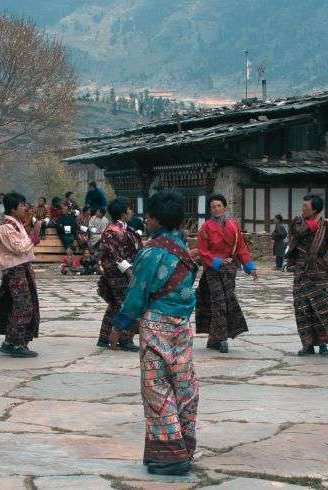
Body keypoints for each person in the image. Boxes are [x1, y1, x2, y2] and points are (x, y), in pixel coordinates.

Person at [110, 191, 199, 476]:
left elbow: (137, 293)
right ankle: (183, 446)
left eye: (148, 216)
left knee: (157, 387)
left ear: (156, 219)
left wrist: (120, 326)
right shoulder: (184, 250)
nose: (145, 220)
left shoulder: (150, 252)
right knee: (184, 385)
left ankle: (171, 455)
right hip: (183, 326)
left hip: (156, 327)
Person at [287, 194, 328, 356]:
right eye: (302, 207)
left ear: (315, 209)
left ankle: (323, 342)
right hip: (302, 272)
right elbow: (299, 231)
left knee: (323, 308)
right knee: (302, 308)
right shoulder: (298, 222)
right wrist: (320, 223)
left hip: (321, 273)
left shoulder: (326, 225)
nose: (303, 210)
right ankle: (307, 344)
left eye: (306, 207)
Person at [0, 192, 42, 358]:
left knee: (22, 305)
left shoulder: (17, 224)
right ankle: (14, 343)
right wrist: (34, 234)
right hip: (15, 271)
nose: (24, 208)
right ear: (13, 209)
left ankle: (12, 341)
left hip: (22, 268)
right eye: (22, 205)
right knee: (23, 306)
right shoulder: (6, 227)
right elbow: (19, 247)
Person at [195, 194, 257, 353]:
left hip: (230, 270)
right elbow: (202, 251)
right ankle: (222, 339)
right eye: (213, 207)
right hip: (213, 270)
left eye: (219, 206)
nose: (216, 209)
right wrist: (216, 261)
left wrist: (250, 267)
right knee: (219, 302)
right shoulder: (206, 228)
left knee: (228, 301)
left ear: (224, 207)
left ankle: (214, 338)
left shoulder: (234, 226)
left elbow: (242, 247)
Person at [96, 198, 142, 351]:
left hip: (122, 271)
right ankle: (125, 339)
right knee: (126, 304)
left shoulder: (126, 229)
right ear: (123, 213)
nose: (131, 212)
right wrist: (129, 272)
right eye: (129, 209)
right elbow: (117, 256)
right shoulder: (112, 231)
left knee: (115, 305)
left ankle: (104, 337)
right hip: (117, 273)